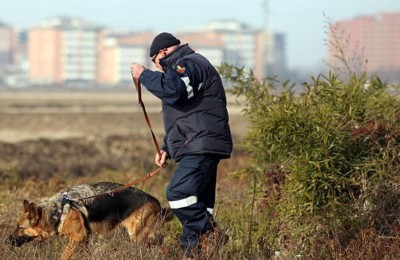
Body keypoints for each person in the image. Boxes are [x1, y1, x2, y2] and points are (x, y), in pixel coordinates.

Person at [130, 32, 233, 258]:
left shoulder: (190, 65)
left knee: (178, 194)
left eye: (156, 62)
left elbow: (174, 91)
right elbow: (184, 116)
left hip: (201, 144)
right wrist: (167, 147)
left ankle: (214, 234)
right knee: (199, 206)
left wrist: (144, 75)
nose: (158, 68)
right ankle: (195, 254)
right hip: (196, 143)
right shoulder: (187, 66)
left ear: (164, 52)